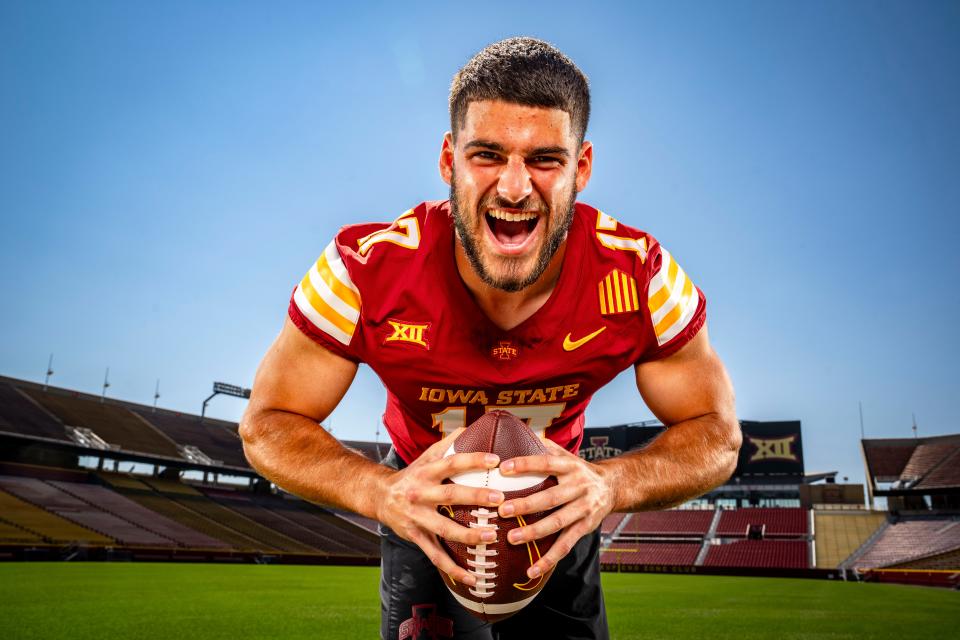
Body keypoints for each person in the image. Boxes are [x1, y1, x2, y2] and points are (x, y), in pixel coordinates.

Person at [239, 37, 740, 640]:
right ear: (449, 161)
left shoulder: (639, 275)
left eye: (545, 160)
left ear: (581, 167)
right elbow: (267, 422)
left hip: (563, 497)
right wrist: (380, 490)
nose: (513, 187)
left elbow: (717, 434)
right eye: (487, 155)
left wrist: (611, 483)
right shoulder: (366, 268)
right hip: (421, 494)